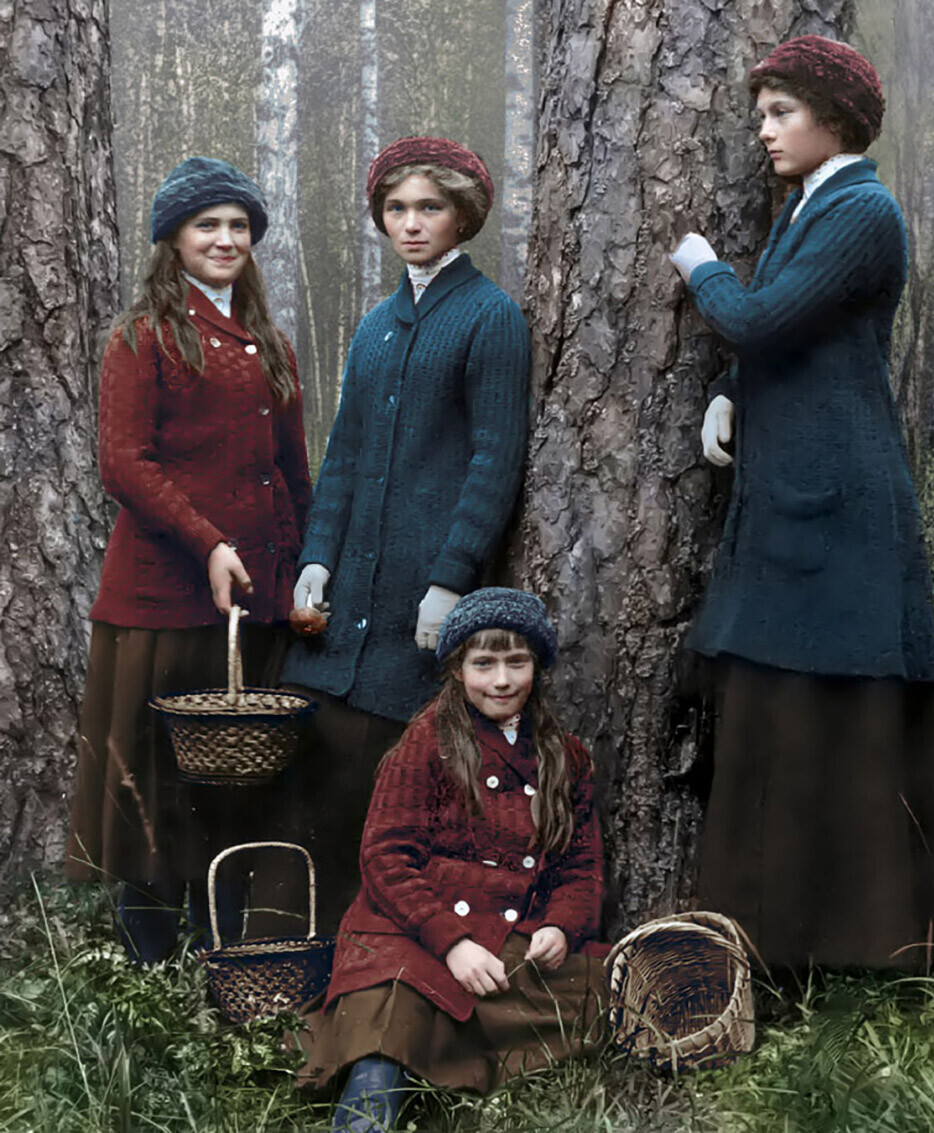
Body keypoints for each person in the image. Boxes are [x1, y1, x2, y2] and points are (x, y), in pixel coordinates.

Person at [668, 36, 934, 972]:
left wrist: (698, 265)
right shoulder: (810, 207)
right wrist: (732, 389)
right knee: (780, 711)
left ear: (834, 120)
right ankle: (776, 947)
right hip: (794, 491)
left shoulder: (862, 209)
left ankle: (876, 947)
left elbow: (759, 316)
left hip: (841, 500)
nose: (762, 131)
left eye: (780, 112)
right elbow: (795, 339)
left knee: (837, 709)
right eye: (760, 112)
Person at [271, 137, 531, 936]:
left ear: (463, 216)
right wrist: (317, 557)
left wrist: (452, 578)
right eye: (396, 209)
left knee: (385, 780)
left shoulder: (491, 317)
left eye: (430, 208)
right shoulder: (377, 325)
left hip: (418, 601)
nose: (411, 224)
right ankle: (283, 948)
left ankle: (369, 958)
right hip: (343, 602)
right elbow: (343, 455)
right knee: (305, 773)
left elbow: (495, 459)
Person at [64, 156, 313, 964]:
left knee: (232, 790)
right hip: (159, 605)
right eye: (208, 224)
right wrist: (209, 540)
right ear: (171, 240)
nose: (226, 239)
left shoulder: (270, 344)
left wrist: (307, 575)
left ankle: (227, 958)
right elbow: (123, 463)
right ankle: (152, 970)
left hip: (252, 609)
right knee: (150, 793)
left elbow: (291, 473)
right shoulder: (144, 337)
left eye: (240, 225)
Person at [296, 589, 606, 1132]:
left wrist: (560, 923)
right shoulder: (428, 741)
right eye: (483, 664)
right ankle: (368, 1112)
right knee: (391, 1015)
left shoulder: (564, 756)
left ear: (539, 665)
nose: (502, 681)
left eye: (517, 662)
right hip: (413, 930)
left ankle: (457, 1054)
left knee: (599, 991)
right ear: (458, 670)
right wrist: (452, 942)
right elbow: (386, 858)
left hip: (506, 938)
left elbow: (582, 869)